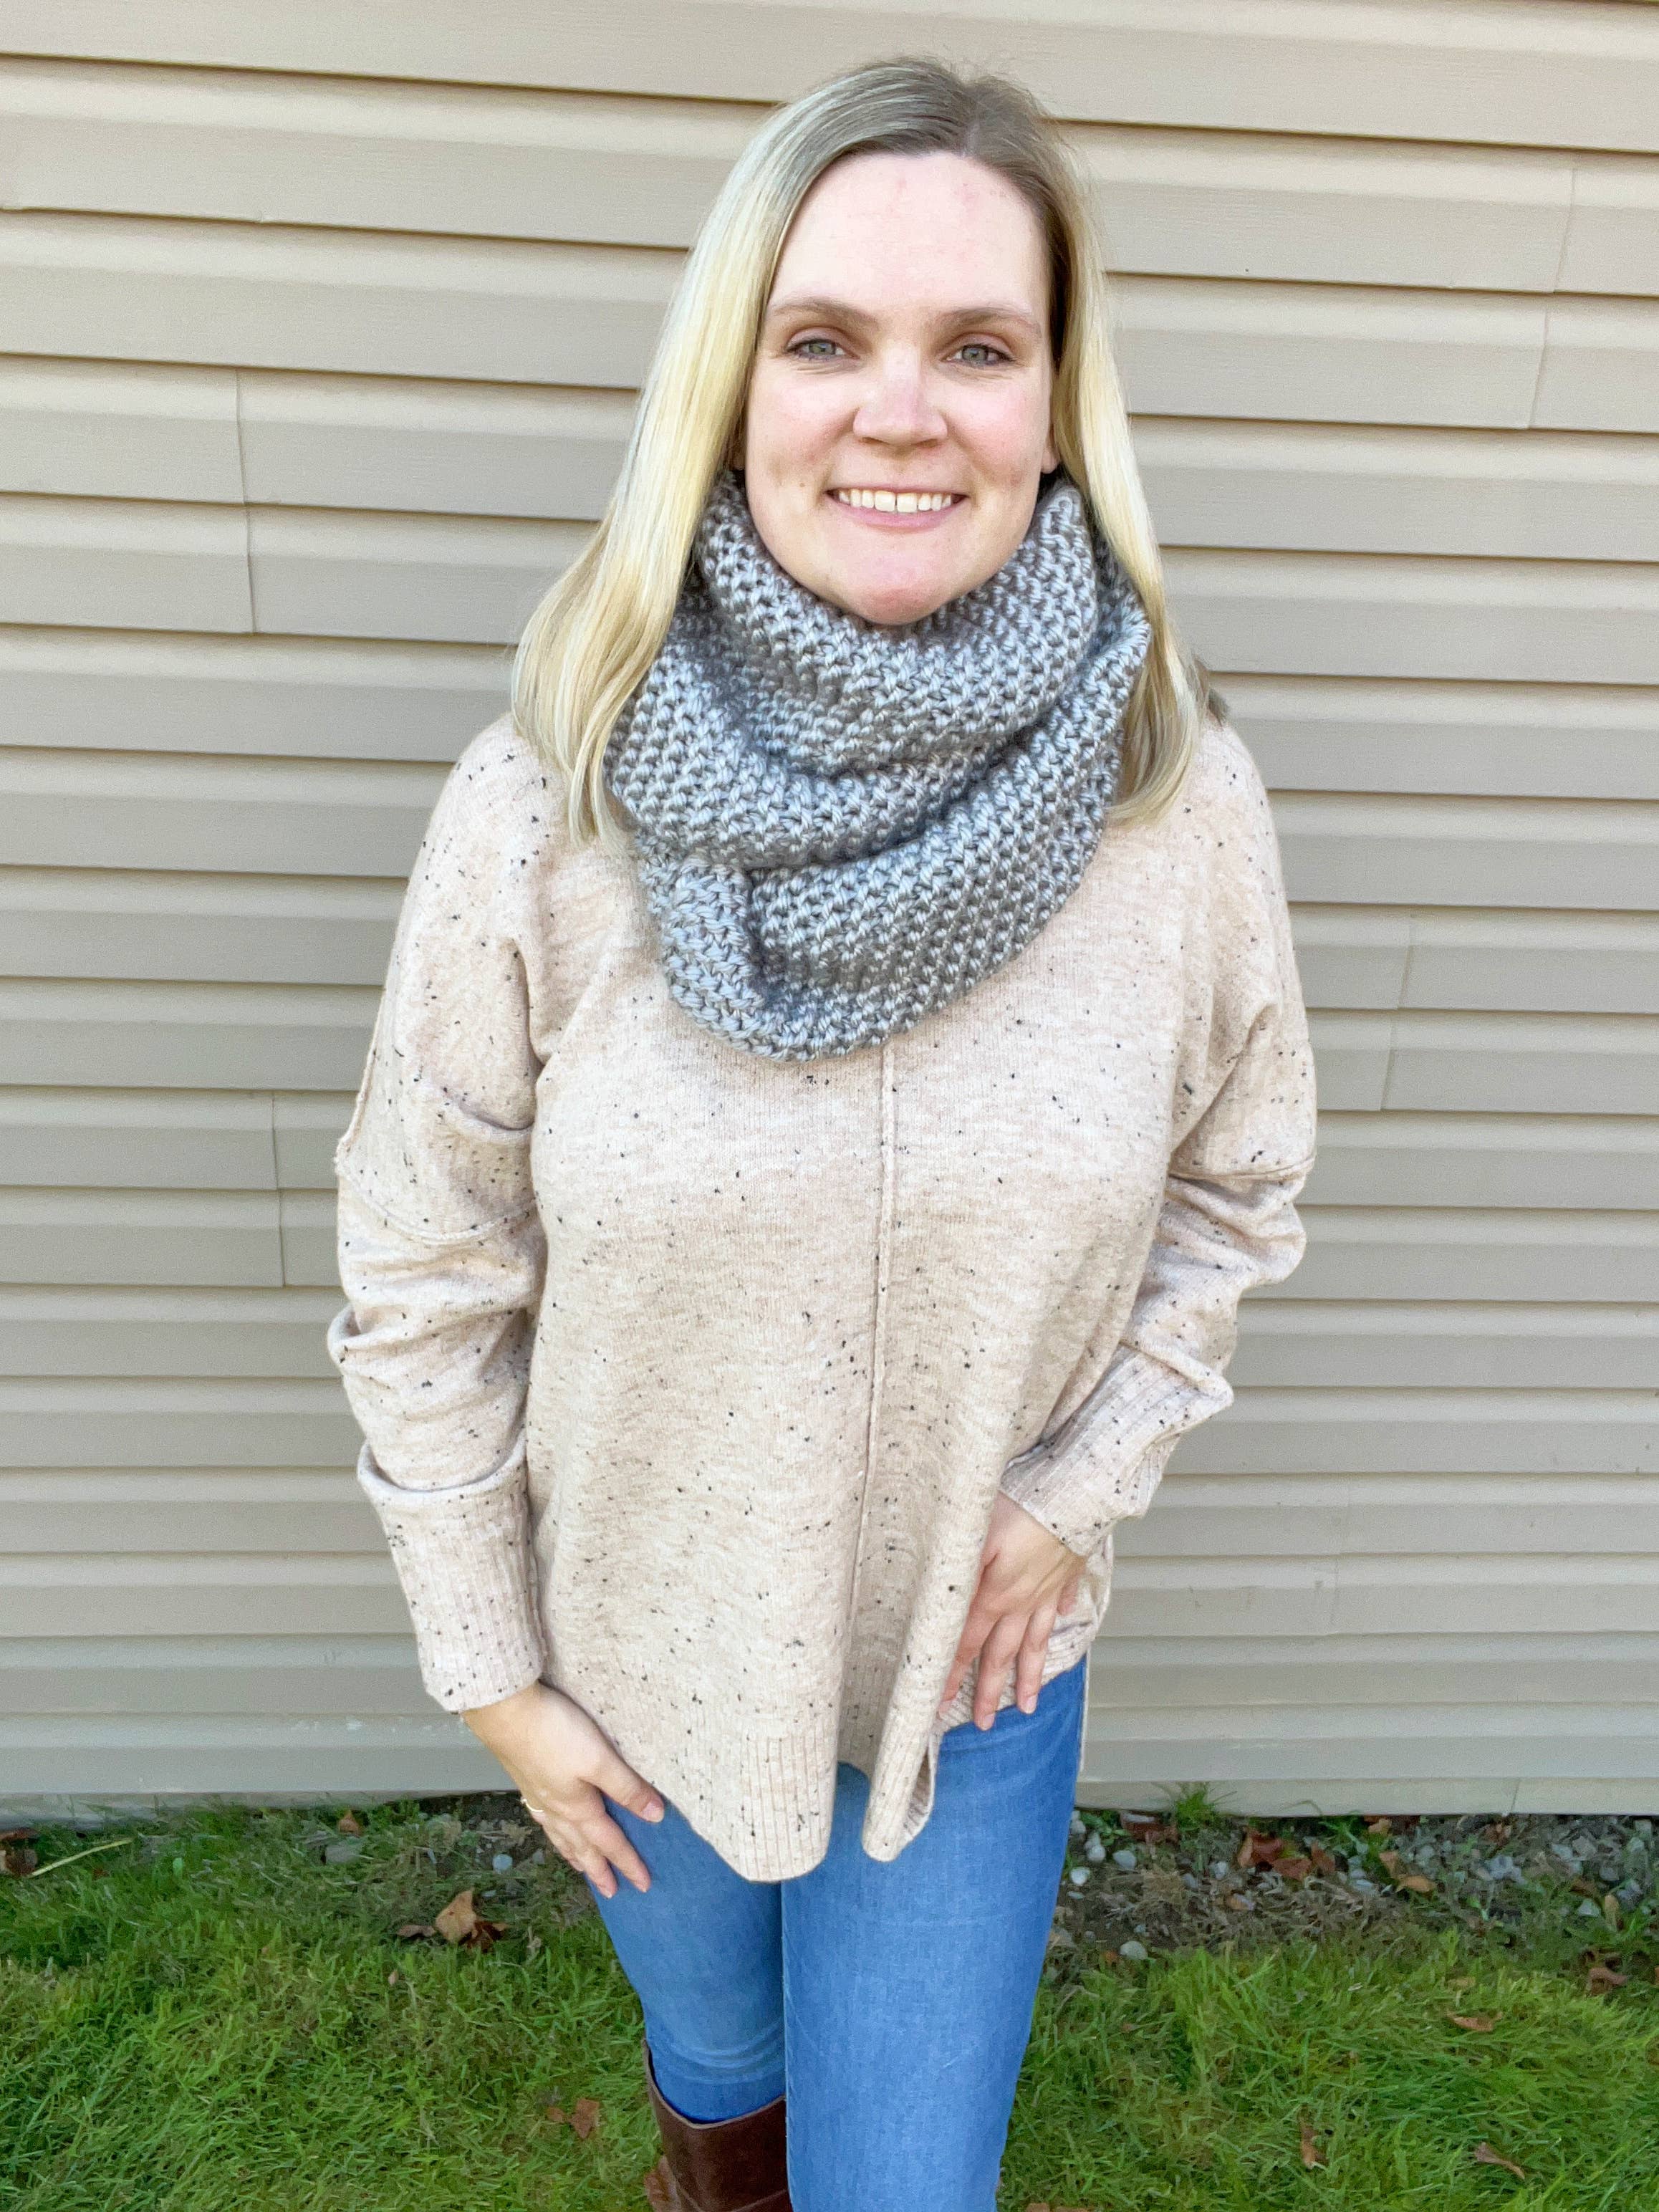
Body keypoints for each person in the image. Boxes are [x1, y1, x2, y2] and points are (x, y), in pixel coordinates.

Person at [327, 53, 1317, 2212]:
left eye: (977, 346)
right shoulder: (548, 809)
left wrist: (1075, 1492)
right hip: (641, 1653)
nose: (900, 412)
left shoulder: (1172, 803)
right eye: (824, 340)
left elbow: (1237, 1191)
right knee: (723, 2068)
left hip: (971, 1667)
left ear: (1055, 404)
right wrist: (491, 1676)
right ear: (731, 386)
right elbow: (424, 1272)